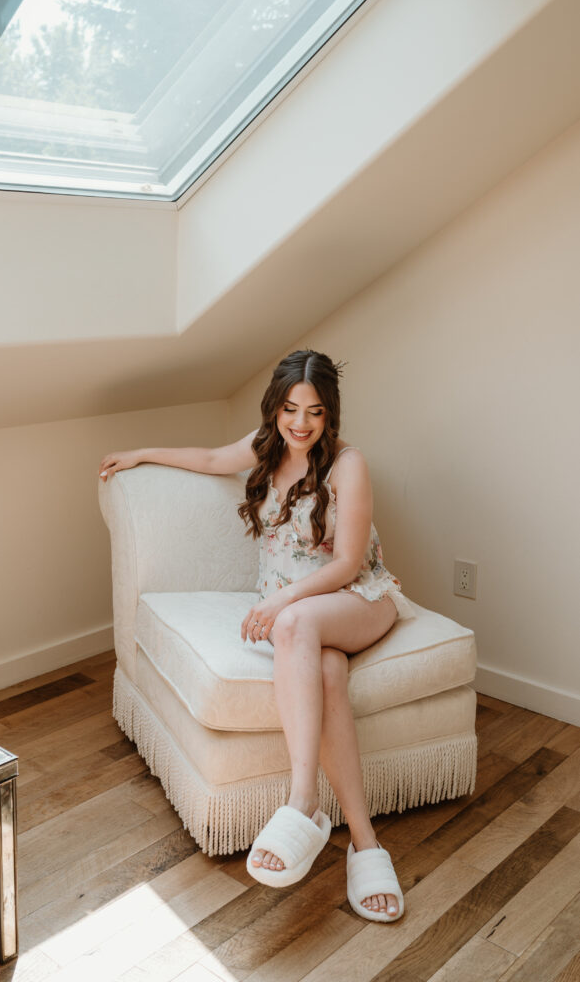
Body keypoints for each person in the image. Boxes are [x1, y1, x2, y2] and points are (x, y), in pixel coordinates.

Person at [99, 349, 411, 922]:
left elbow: (346, 566)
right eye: (290, 409)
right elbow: (213, 456)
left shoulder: (349, 464)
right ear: (275, 407)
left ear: (330, 414)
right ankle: (366, 843)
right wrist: (141, 452)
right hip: (303, 623)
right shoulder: (268, 445)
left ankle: (303, 803)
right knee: (326, 671)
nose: (300, 424)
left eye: (314, 413)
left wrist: (281, 599)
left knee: (295, 624)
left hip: (355, 601)